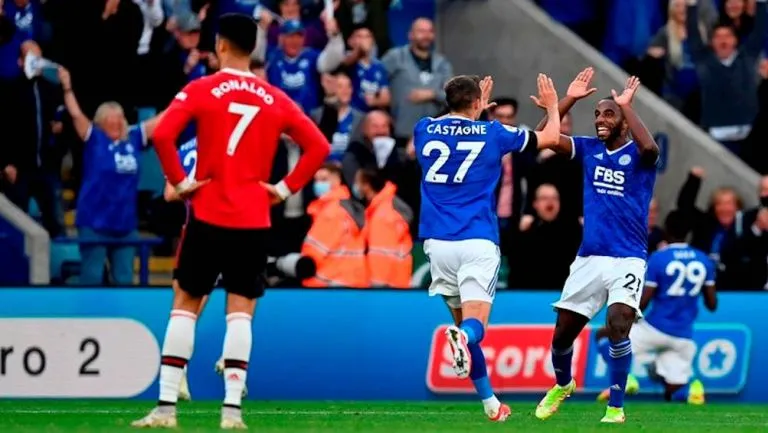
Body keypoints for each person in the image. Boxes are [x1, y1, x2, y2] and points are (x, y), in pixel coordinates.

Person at [133, 13, 330, 429]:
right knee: (240, 312)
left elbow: (164, 135)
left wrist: (180, 182)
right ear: (254, 47)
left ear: (220, 45)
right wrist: (282, 189)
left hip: (207, 214)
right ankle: (232, 413)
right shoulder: (275, 97)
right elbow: (318, 145)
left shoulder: (202, 88)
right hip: (254, 220)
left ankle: (166, 409)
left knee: (185, 307)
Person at [413, 73, 563, 422]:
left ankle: (490, 404)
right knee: (473, 328)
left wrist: (476, 107)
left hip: (437, 243)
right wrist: (553, 106)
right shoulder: (494, 132)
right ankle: (463, 336)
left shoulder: (423, 128)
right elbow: (551, 137)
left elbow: (454, 126)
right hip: (477, 240)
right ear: (479, 103)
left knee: (464, 335)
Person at [532, 69, 660, 424]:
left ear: (623, 122)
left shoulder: (639, 155)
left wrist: (627, 106)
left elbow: (651, 148)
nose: (601, 120)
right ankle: (563, 384)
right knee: (561, 338)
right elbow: (544, 135)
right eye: (598, 114)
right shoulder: (588, 149)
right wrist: (567, 99)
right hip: (589, 258)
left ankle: (615, 408)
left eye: (608, 114)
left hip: (628, 259)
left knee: (619, 324)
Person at [594, 211, 716, 405]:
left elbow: (644, 301)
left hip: (655, 328)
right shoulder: (703, 260)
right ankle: (691, 389)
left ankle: (626, 380)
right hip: (683, 335)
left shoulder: (660, 258)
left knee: (603, 335)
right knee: (673, 389)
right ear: (689, 232)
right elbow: (712, 304)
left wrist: (626, 320)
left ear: (667, 231)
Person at [57, 66, 163, 285]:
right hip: (94, 223)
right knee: (92, 278)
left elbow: (162, 120)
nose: (115, 123)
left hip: (125, 224)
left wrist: (188, 96)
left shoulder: (133, 137)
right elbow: (76, 114)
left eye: (119, 119)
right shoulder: (94, 137)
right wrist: (67, 88)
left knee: (125, 280)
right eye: (110, 120)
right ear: (101, 122)